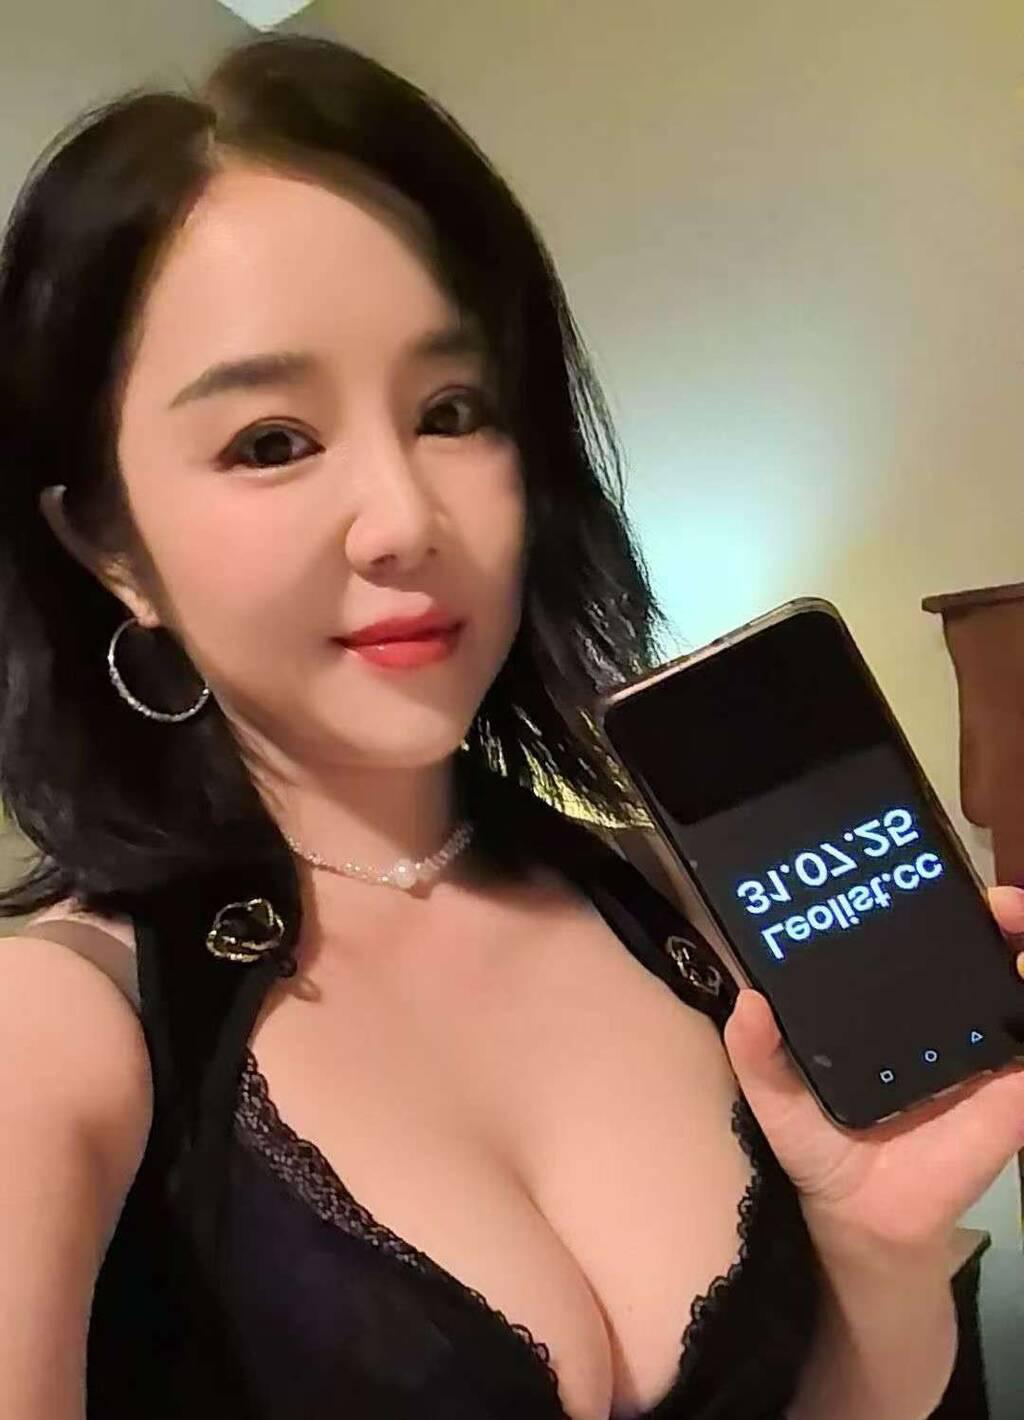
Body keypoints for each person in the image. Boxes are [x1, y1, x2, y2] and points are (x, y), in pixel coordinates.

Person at [0, 33, 1020, 1420]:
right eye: (272, 442)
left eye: (453, 411)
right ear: (108, 543)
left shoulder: (677, 913)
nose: (405, 520)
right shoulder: (57, 1037)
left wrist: (880, 1255)